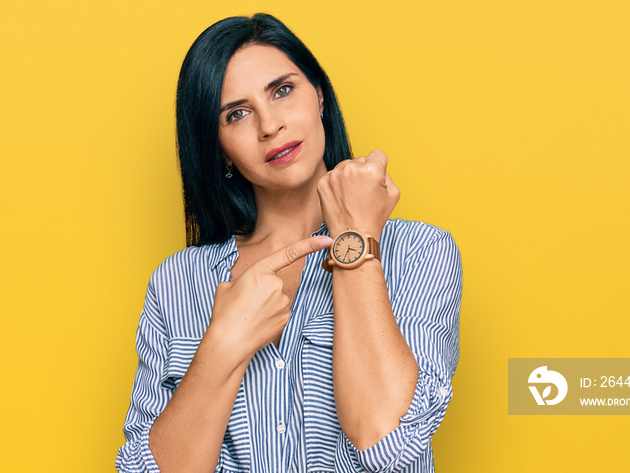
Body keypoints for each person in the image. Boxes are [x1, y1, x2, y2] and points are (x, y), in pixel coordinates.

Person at [116, 13, 462, 473]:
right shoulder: (176, 283)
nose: (269, 125)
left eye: (282, 90)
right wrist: (223, 346)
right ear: (218, 146)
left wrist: (353, 238)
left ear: (319, 94)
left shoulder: (420, 252)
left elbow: (386, 440)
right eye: (236, 113)